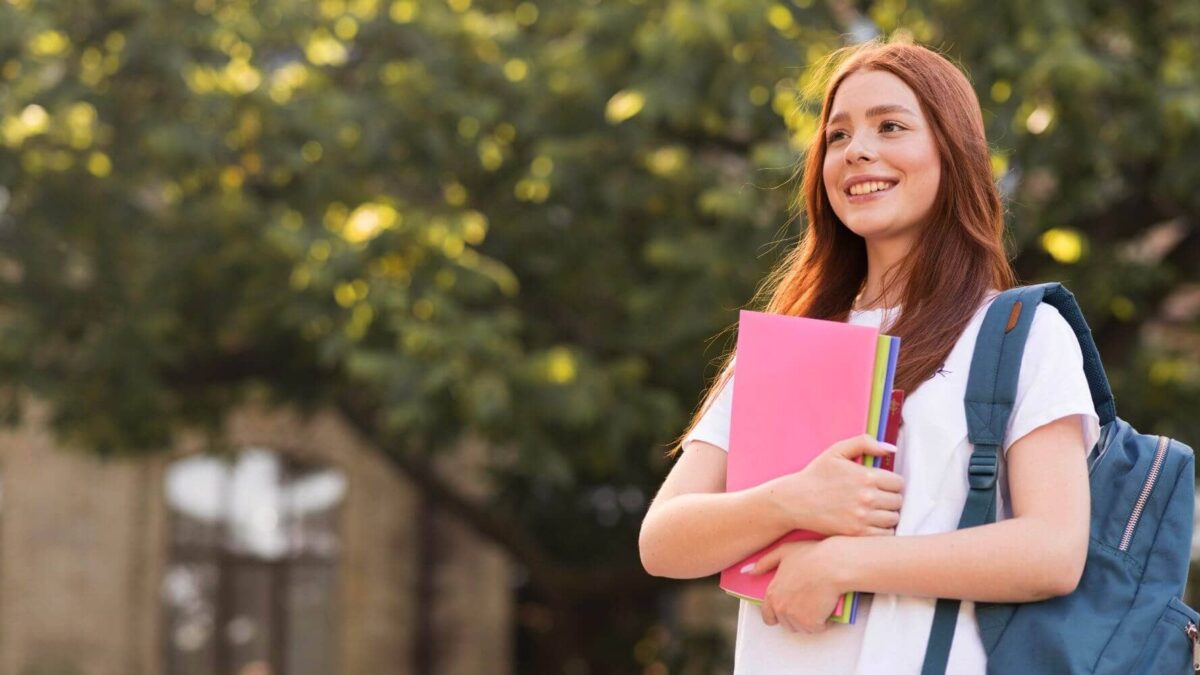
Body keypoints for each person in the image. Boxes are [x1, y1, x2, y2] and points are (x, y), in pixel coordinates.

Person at [638, 38, 1101, 674]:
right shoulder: (788, 342)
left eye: (891, 126)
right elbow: (664, 541)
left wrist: (844, 562)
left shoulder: (1020, 332)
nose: (857, 150)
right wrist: (792, 501)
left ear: (951, 151)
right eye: (837, 135)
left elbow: (1052, 550)